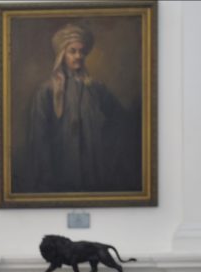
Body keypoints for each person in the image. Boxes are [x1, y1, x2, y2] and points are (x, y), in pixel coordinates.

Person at [25, 23, 140, 193]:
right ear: (62, 54)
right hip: (60, 173)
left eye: (82, 52)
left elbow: (119, 121)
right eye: (73, 51)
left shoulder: (96, 89)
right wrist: (47, 174)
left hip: (94, 171)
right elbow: (39, 138)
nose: (79, 56)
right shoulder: (46, 91)